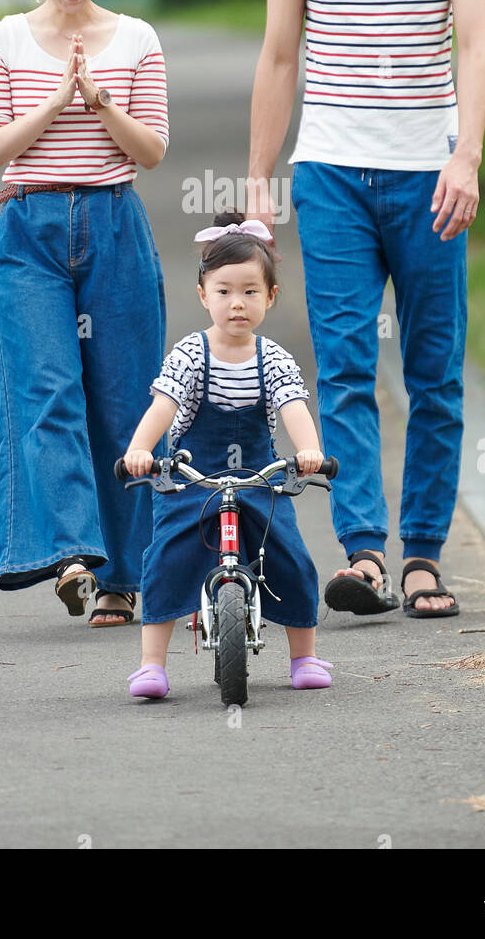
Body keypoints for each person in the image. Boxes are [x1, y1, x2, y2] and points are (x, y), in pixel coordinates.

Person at [247, 0, 485, 619]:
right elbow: (280, 57)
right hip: (332, 175)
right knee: (346, 367)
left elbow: (475, 43)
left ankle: (423, 554)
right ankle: (363, 555)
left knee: (433, 372)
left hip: (429, 172)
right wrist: (257, 179)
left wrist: (466, 154)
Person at [0, 0, 168, 626]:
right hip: (30, 228)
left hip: (116, 223)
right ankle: (73, 555)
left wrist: (101, 102)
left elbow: (150, 149)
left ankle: (123, 580)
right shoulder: (4, 40)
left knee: (127, 403)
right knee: (45, 391)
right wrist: (56, 102)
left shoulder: (138, 38)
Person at [121, 213, 333, 698]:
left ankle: (305, 655)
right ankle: (152, 665)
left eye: (250, 292)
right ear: (203, 294)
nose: (237, 303)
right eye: (224, 291)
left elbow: (293, 405)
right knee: (166, 558)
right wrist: (139, 450)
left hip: (259, 477)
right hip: (193, 477)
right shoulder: (191, 354)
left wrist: (309, 450)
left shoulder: (273, 357)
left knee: (292, 557)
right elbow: (165, 405)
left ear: (270, 297)